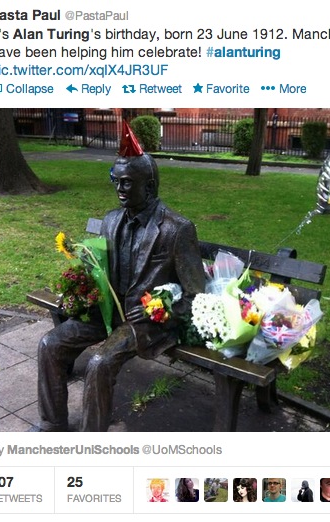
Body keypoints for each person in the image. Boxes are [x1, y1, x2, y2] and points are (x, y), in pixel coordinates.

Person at [34, 122, 205, 432]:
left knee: (99, 363)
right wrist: (81, 288)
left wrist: (162, 308)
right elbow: (99, 267)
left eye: (127, 183)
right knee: (49, 343)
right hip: (107, 311)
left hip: (143, 323)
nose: (119, 188)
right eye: (115, 180)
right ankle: (50, 425)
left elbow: (197, 296)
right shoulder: (112, 220)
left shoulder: (176, 229)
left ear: (149, 186)